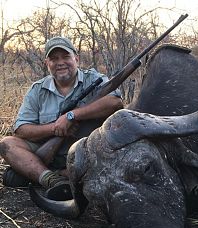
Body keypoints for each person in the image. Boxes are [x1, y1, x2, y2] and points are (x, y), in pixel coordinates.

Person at [0, 36, 123, 192]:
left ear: (76, 59)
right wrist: (55, 128)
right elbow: (21, 129)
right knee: (7, 143)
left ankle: (41, 174)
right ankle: (50, 179)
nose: (60, 63)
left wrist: (72, 115)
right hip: (45, 149)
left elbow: (115, 102)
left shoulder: (94, 79)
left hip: (85, 152)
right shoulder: (38, 89)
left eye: (66, 57)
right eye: (54, 59)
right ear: (47, 63)